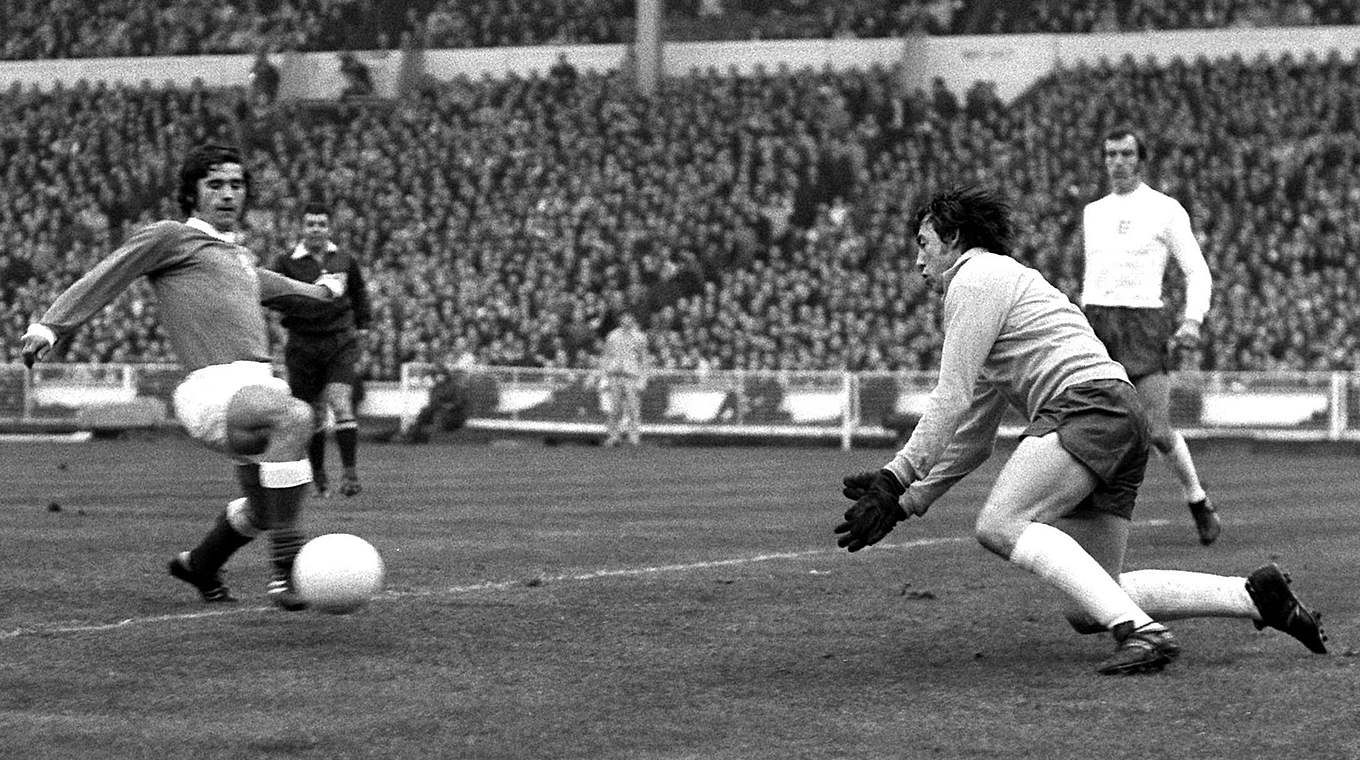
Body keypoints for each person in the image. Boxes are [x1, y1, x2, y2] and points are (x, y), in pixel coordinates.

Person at [835, 186, 1326, 675]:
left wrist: (895, 477)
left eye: (923, 243)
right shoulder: (1002, 287)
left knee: (999, 524)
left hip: (1085, 406)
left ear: (954, 237)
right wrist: (906, 501)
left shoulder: (975, 278)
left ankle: (1143, 632)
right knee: (1089, 602)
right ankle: (1255, 596)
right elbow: (973, 439)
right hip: (1118, 409)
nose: (918, 262)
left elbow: (950, 398)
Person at [18, 143, 348, 611]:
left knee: (262, 508)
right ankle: (287, 572)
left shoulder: (240, 258)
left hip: (256, 390)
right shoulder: (171, 237)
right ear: (192, 194)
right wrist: (49, 326)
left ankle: (201, 564)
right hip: (214, 389)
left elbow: (276, 287)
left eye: (236, 184)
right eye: (215, 184)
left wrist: (322, 290)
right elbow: (109, 272)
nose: (228, 193)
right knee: (297, 417)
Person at [1080, 128, 1220, 545]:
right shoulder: (1093, 211)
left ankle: (1197, 500)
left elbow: (1196, 270)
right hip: (1098, 320)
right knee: (1092, 425)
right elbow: (1095, 275)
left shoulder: (1165, 209)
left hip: (1144, 322)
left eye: (1125, 153)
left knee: (1158, 430)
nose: (1117, 161)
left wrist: (1193, 319)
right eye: (1110, 154)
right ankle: (1088, 512)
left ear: (1140, 159)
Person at [268, 201, 371, 497]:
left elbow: (360, 294)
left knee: (340, 402)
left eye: (321, 224)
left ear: (329, 228)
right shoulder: (286, 262)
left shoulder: (344, 260)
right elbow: (273, 300)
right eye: (311, 223)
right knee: (310, 414)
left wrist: (363, 327)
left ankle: (350, 475)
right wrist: (281, 333)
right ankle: (318, 475)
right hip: (302, 344)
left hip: (339, 341)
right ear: (302, 228)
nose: (316, 229)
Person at [599, 312, 648, 447]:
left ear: (633, 319)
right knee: (614, 408)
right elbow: (606, 356)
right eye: (624, 318)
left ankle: (634, 437)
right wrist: (604, 376)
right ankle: (614, 436)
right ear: (620, 320)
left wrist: (643, 379)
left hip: (631, 376)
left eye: (629, 318)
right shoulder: (612, 336)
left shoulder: (640, 337)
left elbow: (644, 359)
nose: (627, 320)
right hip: (614, 375)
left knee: (633, 408)